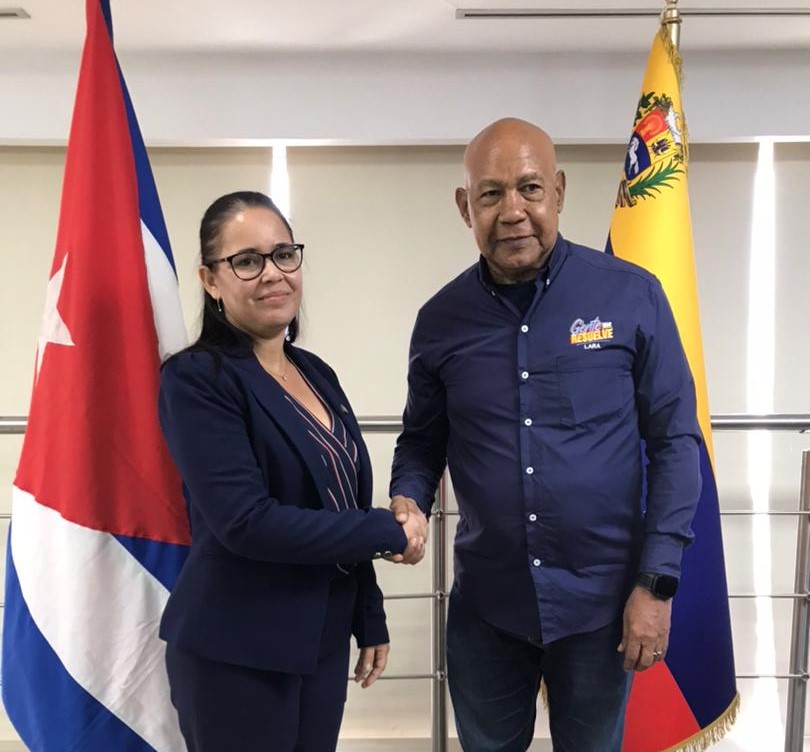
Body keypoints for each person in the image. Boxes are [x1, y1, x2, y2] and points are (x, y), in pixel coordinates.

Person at [389, 118, 702, 752]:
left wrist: (656, 584)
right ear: (465, 207)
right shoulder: (440, 321)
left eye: (529, 188)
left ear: (558, 191)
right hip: (488, 607)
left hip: (601, 608)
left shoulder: (632, 297)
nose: (513, 211)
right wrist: (407, 498)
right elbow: (421, 439)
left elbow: (675, 443)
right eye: (491, 193)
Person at [158, 191, 427, 752]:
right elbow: (246, 522)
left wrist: (368, 613)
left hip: (319, 642)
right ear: (210, 280)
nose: (272, 273)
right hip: (237, 650)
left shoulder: (315, 372)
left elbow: (341, 502)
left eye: (284, 254)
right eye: (247, 261)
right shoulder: (197, 379)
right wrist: (388, 529)